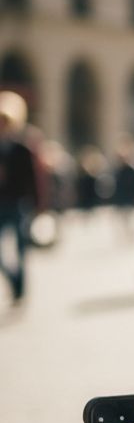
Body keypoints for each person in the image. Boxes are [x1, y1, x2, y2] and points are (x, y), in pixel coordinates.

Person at [0, 91, 39, 304]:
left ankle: (21, 286)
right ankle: (13, 280)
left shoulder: (22, 147)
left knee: (20, 248)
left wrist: (39, 205)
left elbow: (33, 178)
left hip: (18, 203)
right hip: (1, 203)